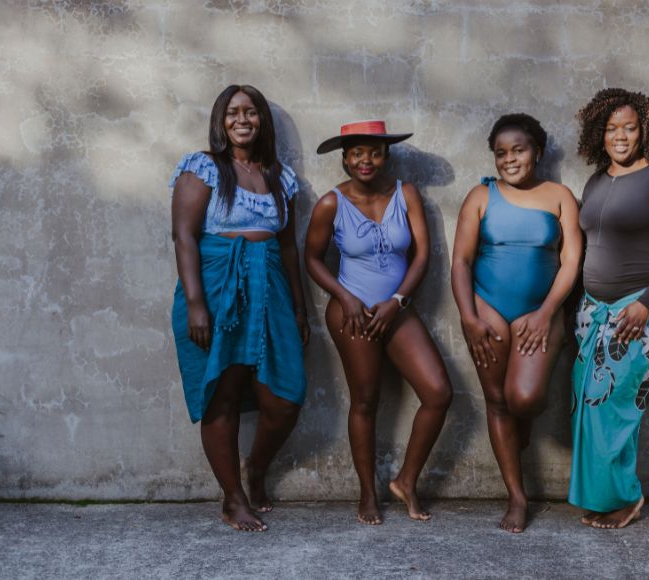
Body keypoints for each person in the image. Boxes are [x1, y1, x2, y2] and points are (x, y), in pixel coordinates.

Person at [170, 84, 309, 532]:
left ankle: (256, 469)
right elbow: (185, 237)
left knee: (285, 399)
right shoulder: (204, 168)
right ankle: (233, 499)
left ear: (262, 120)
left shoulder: (278, 177)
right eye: (233, 112)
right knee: (223, 394)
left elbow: (289, 248)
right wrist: (196, 305)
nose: (242, 119)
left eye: (251, 112)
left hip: (268, 290)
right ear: (220, 120)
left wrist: (300, 307)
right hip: (215, 290)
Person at [304, 120, 453, 525]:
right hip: (352, 312)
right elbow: (312, 259)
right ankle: (368, 493)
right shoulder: (331, 204)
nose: (364, 160)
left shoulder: (406, 193)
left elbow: (422, 255)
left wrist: (399, 301)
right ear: (345, 159)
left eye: (373, 152)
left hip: (396, 309)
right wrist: (345, 297)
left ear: (385, 156)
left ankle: (406, 480)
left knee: (439, 393)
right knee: (365, 400)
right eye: (356, 153)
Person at [570, 88, 649, 529]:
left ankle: (627, 499)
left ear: (645, 130)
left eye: (629, 127)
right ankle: (605, 498)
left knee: (616, 407)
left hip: (639, 310)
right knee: (590, 405)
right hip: (593, 312)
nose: (620, 136)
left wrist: (647, 302)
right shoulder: (596, 181)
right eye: (611, 128)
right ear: (597, 134)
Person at [451, 113, 582, 533]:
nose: (509, 159)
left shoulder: (560, 195)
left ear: (537, 152)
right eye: (501, 153)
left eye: (519, 150)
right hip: (488, 307)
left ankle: (517, 431)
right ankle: (517, 496)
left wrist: (547, 313)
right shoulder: (480, 196)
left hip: (539, 314)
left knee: (524, 399)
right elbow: (461, 261)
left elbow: (572, 260)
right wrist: (469, 317)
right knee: (498, 401)